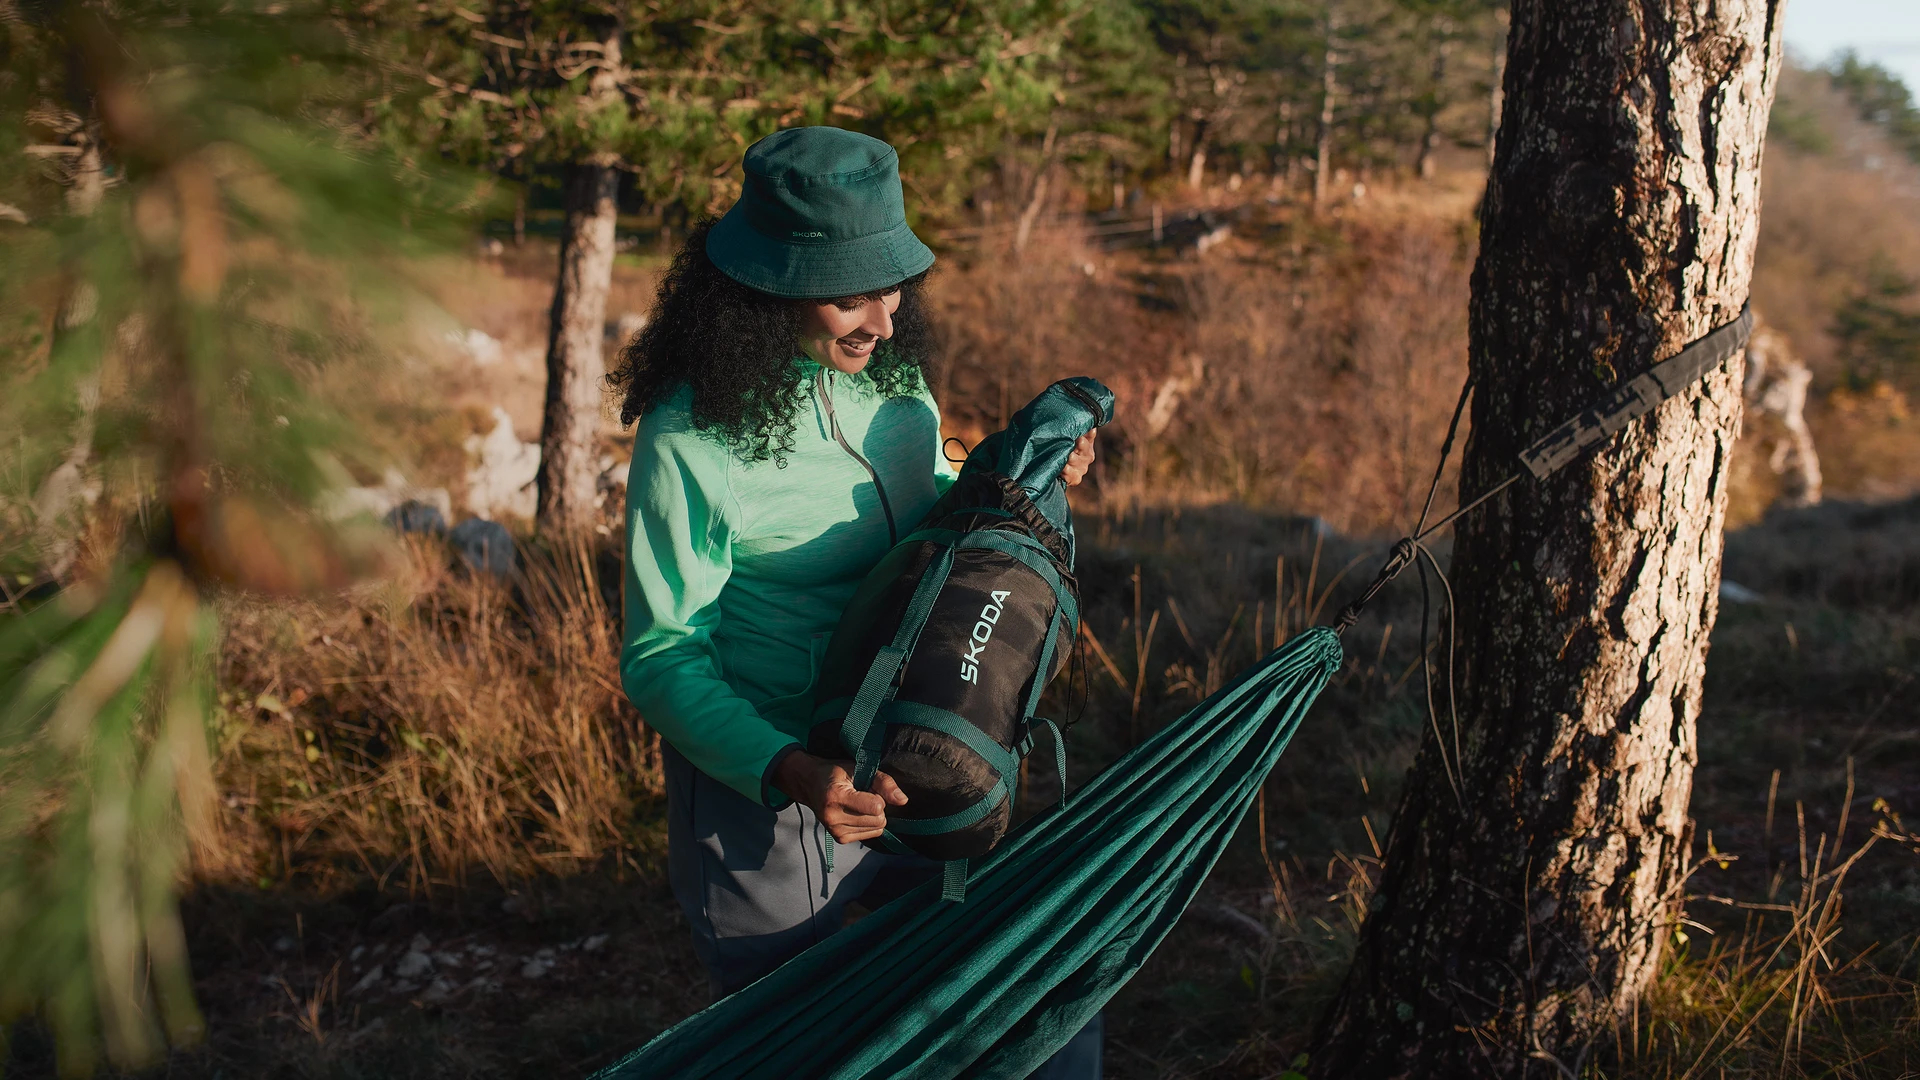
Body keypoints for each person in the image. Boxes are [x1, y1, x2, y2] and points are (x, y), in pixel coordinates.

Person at [612, 127, 1102, 1075]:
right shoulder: (691, 438)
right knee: (813, 1046)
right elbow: (662, 653)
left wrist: (1028, 472)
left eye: (893, 284)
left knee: (1036, 999)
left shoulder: (895, 385)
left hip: (926, 751)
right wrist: (790, 769)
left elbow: (935, 521)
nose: (883, 318)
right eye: (850, 294)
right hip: (775, 802)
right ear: (767, 296)